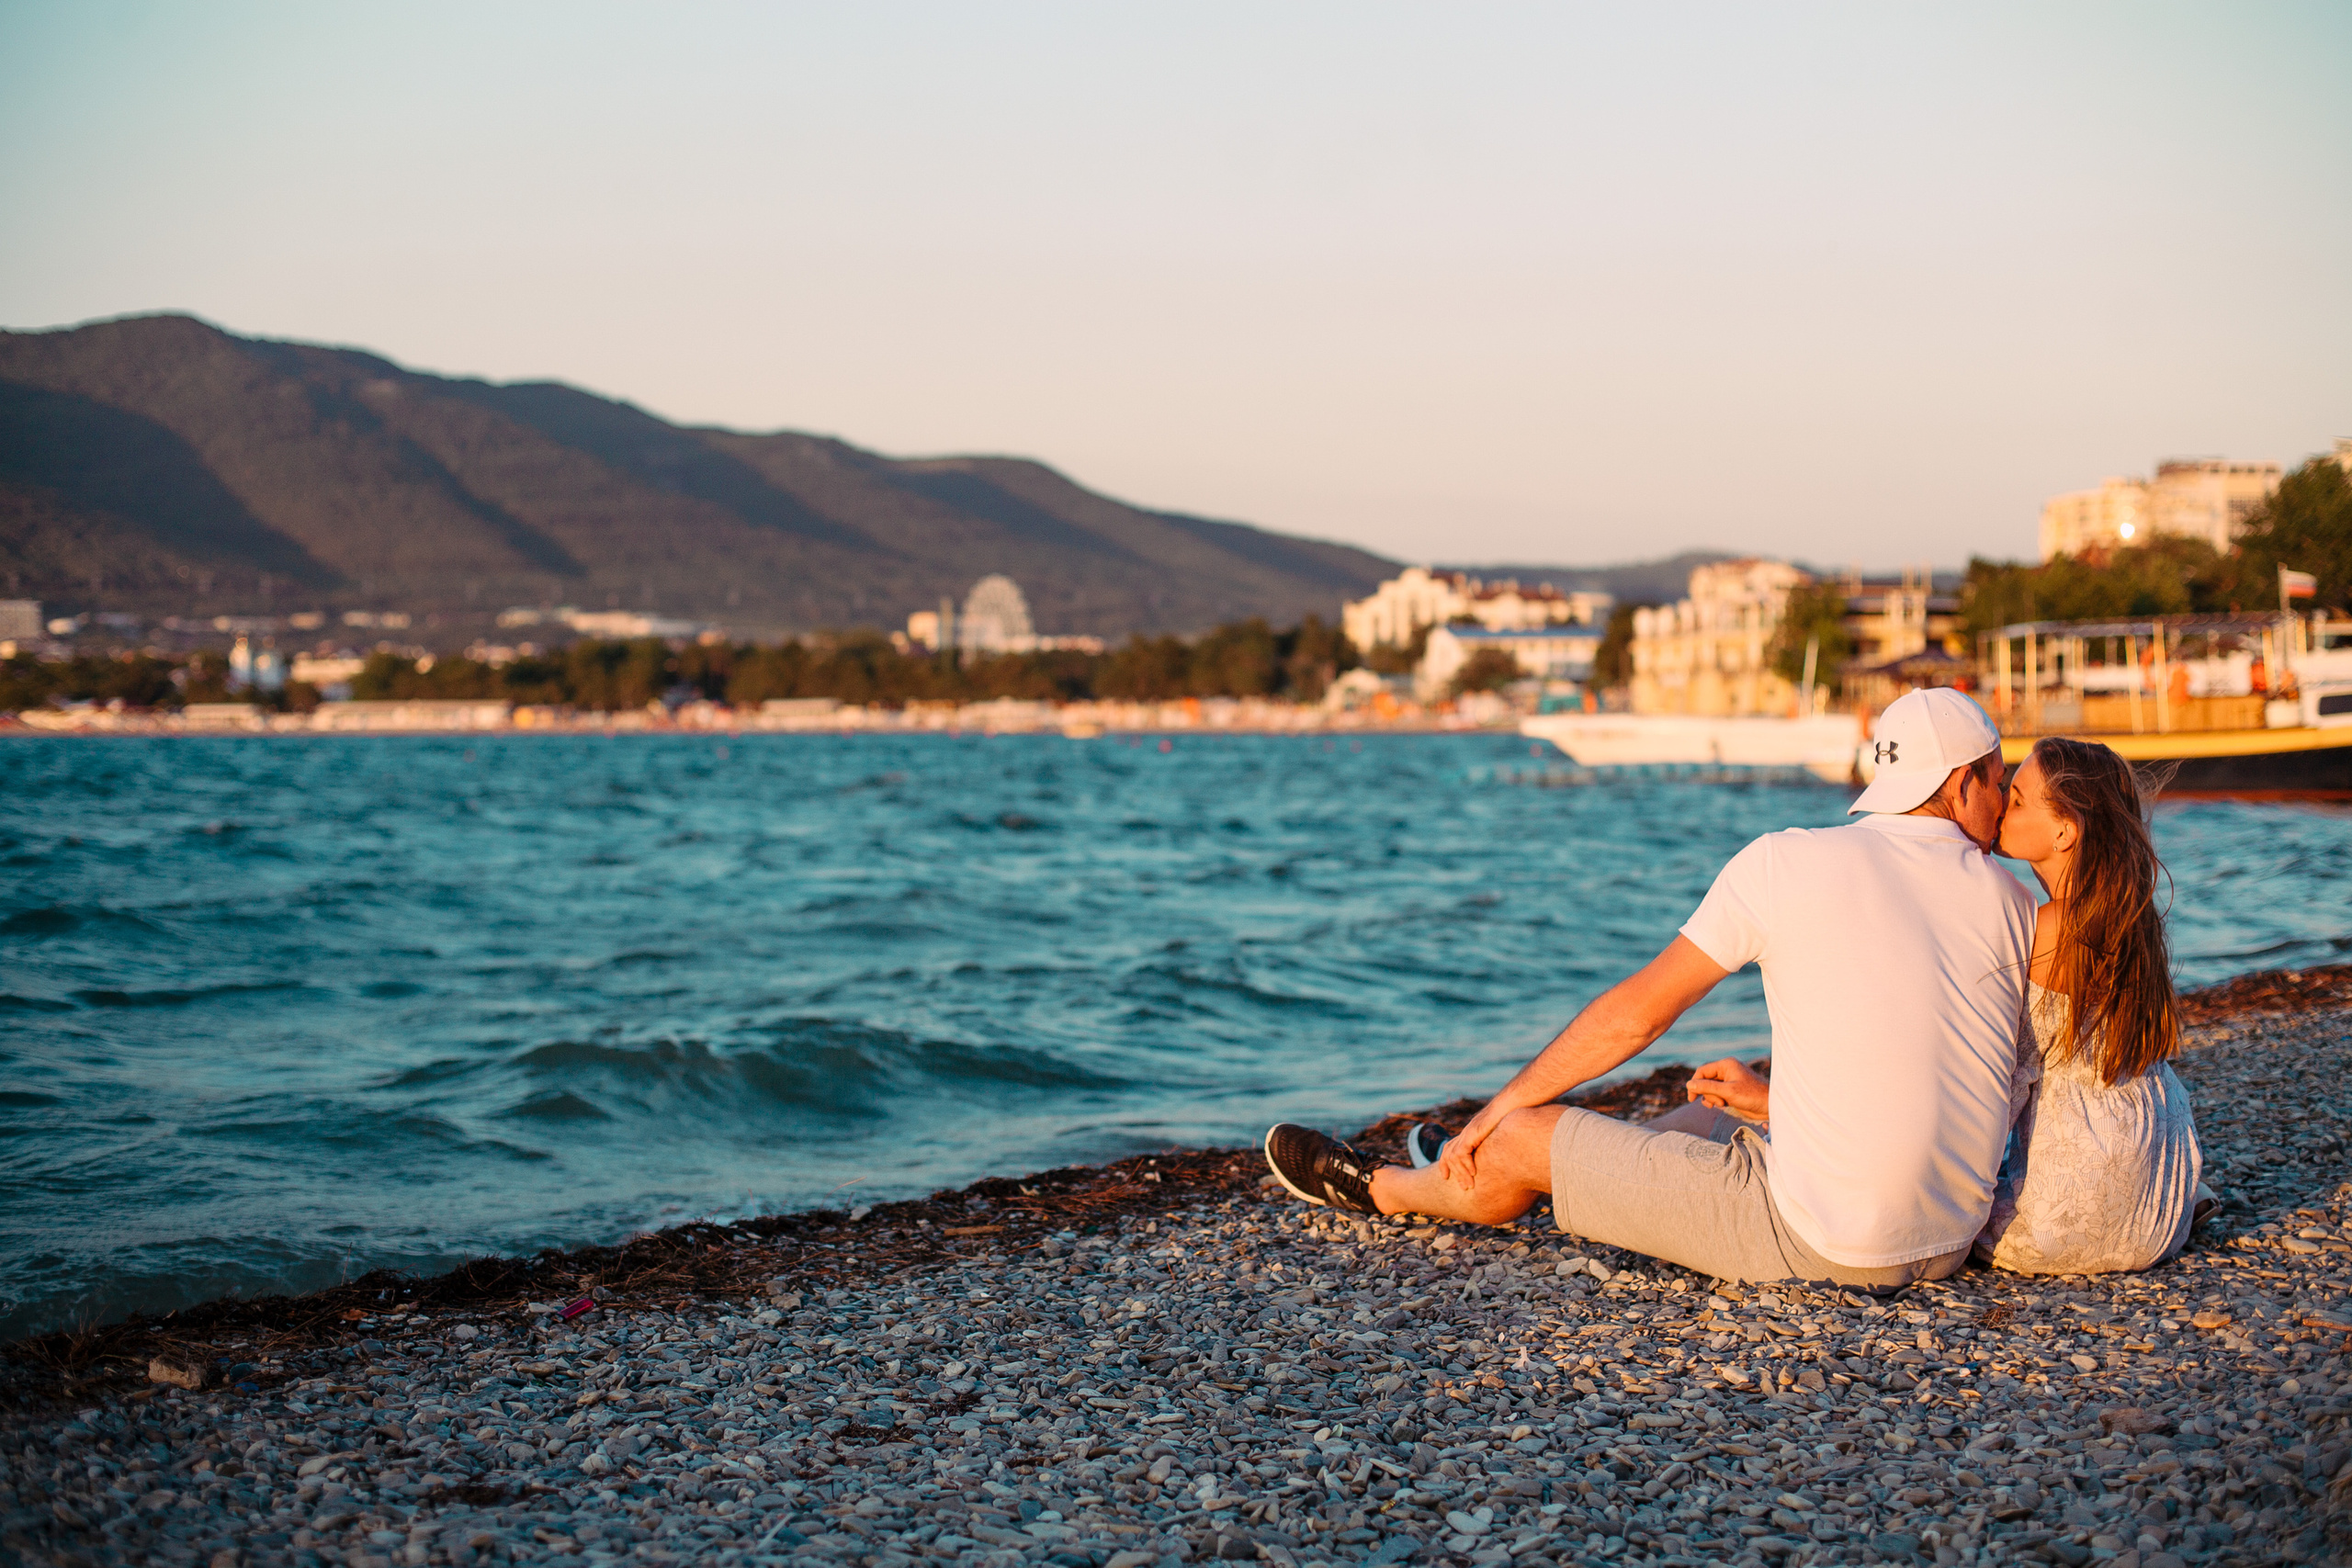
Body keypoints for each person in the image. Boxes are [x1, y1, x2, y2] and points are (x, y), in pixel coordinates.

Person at [1262, 687, 2036, 1290]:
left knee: (1524, 1133)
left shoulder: (1786, 861)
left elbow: (1636, 1017)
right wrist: (1775, 1103)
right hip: (1949, 1235)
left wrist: (1500, 1107)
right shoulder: (2012, 899)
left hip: (1824, 1242)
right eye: (2000, 781)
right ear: (1963, 782)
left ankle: (1389, 1188)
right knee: (1704, 1116)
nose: (2002, 802)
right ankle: (1472, 1163)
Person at [1973, 738, 2205, 1272]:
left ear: (2065, 830)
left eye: (2022, 798)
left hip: (2075, 1217)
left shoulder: (2050, 929)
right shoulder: (2129, 916)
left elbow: (2004, 1087)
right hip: (2161, 1209)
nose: (2004, 802)